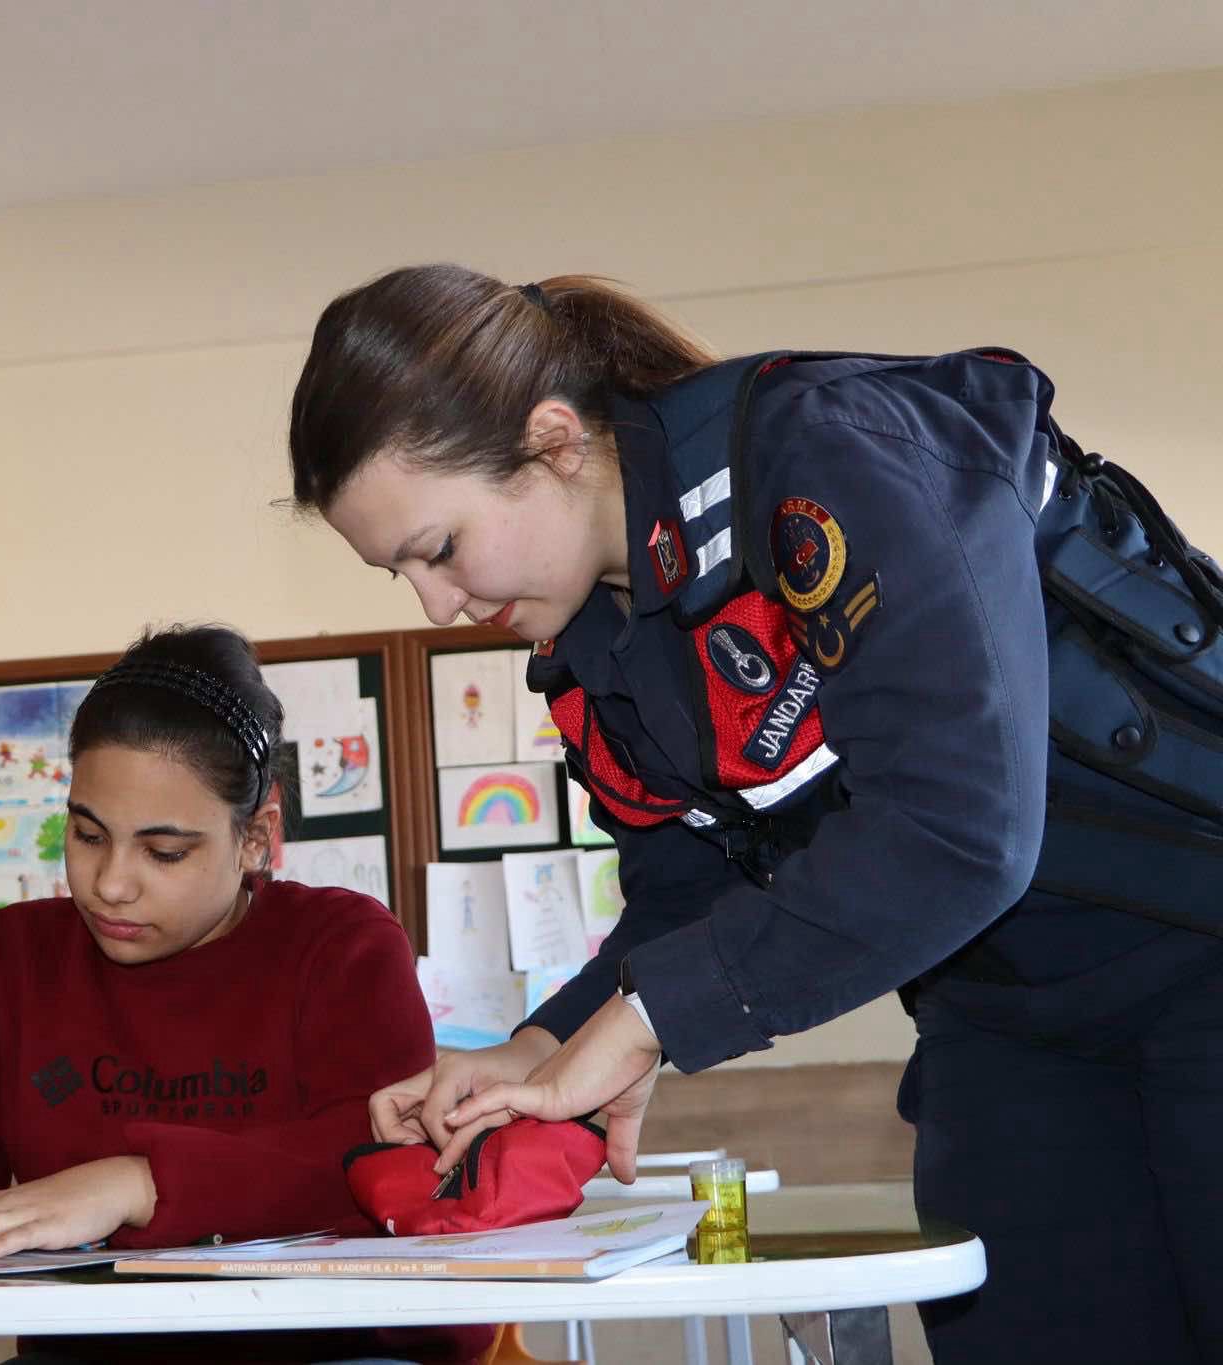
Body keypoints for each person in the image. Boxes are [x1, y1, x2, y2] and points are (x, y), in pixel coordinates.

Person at [287, 265, 1223, 1364]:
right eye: (400, 575)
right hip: (1006, 1022)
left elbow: (954, 829)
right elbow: (693, 893)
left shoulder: (828, 452)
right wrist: (542, 1048)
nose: (437, 605)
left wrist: (642, 1028)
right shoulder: (596, 652)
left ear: (551, 442)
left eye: (436, 550)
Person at [0, 625, 492, 1365]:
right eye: (88, 833)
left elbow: (380, 1161)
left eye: (164, 851)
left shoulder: (343, 945)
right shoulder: (16, 955)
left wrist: (139, 1182)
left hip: (335, 1347)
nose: (109, 883)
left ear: (256, 837)